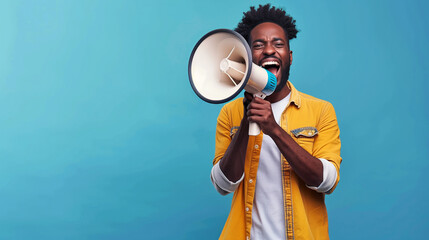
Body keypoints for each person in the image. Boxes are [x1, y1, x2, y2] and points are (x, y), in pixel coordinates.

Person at [210, 4, 342, 240]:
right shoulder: (230, 114)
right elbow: (223, 185)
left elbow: (327, 182)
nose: (269, 50)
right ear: (247, 58)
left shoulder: (321, 111)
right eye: (258, 45)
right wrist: (246, 116)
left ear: (289, 57)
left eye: (278, 44)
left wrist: (274, 129)